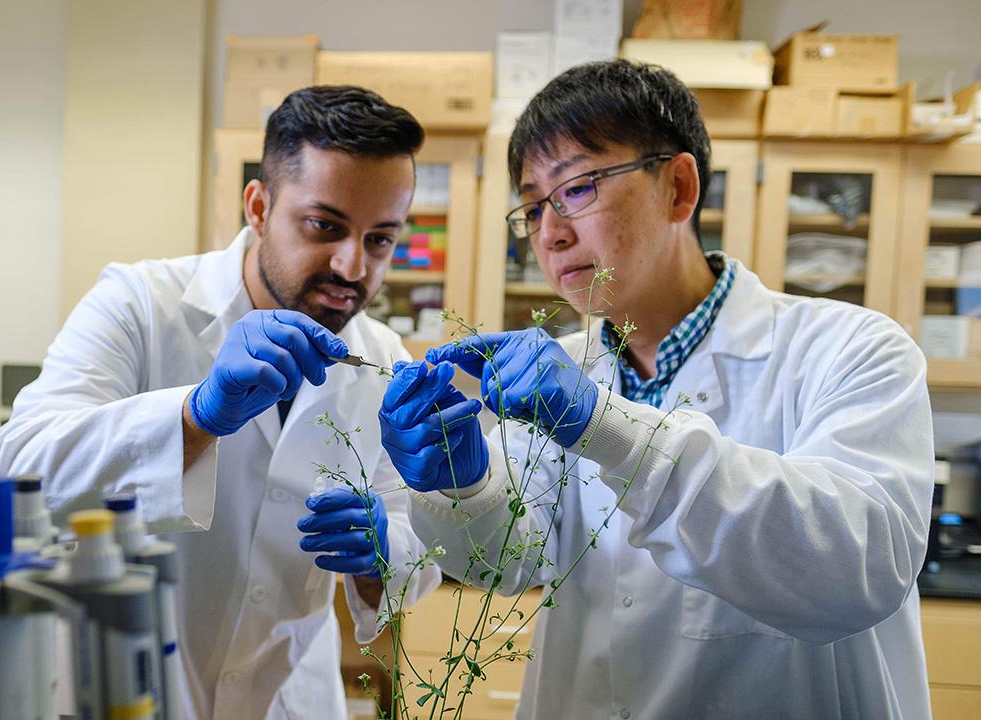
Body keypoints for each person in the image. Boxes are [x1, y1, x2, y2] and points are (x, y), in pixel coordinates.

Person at [380, 59, 933, 719]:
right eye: (531, 208)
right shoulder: (563, 373)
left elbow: (858, 572)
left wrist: (608, 431)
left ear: (678, 186)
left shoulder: (855, 349)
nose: (550, 233)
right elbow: (509, 562)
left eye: (577, 188)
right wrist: (463, 484)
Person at [0, 85, 441, 720]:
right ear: (258, 206)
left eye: (380, 241)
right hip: (124, 687)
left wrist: (380, 556)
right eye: (325, 226)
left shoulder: (385, 359)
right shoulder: (139, 304)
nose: (352, 265)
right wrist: (196, 415)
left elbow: (412, 544)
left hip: (288, 700)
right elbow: (17, 472)